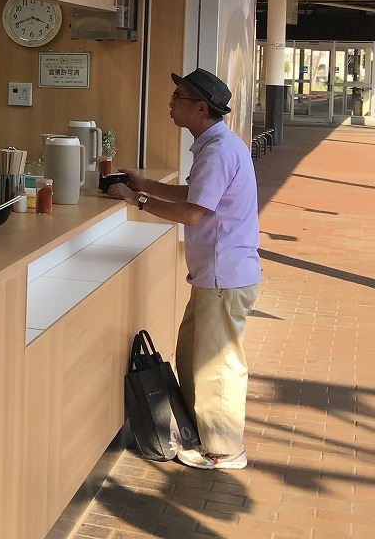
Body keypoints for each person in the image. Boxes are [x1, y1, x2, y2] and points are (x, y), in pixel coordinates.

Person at [109, 68, 261, 471]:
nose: (170, 104)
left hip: (222, 279)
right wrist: (144, 185)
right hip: (218, 277)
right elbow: (195, 195)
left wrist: (136, 201)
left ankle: (225, 450)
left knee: (216, 367)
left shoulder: (216, 152)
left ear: (200, 107)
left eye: (177, 97)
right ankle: (202, 436)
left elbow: (193, 213)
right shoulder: (217, 146)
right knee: (193, 358)